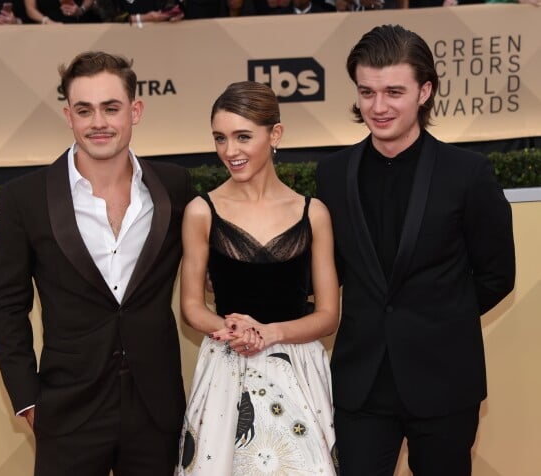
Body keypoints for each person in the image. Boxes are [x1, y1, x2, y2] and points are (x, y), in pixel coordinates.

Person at [316, 24, 515, 476]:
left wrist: (440, 317)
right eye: (367, 92)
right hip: (360, 385)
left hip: (444, 383)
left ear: (425, 91)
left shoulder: (467, 173)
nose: (378, 107)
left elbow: (497, 276)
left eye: (394, 92)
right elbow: (330, 271)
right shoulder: (332, 174)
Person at [0, 51, 195, 475]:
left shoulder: (174, 187)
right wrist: (29, 399)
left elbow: (210, 269)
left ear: (135, 110)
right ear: (69, 116)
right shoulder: (24, 198)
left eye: (111, 108)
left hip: (156, 408)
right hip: (66, 409)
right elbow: (6, 306)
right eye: (84, 110)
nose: (98, 122)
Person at [177, 81, 340, 475]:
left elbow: (329, 315)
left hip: (298, 369)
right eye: (220, 138)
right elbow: (192, 308)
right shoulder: (201, 211)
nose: (230, 151)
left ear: (275, 134)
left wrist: (270, 333)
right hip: (227, 366)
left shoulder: (313, 213)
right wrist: (236, 331)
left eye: (243, 137)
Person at [24, 0, 101, 24]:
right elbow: (30, 9)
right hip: (50, 31)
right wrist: (47, 21)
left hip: (84, 24)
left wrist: (81, 9)